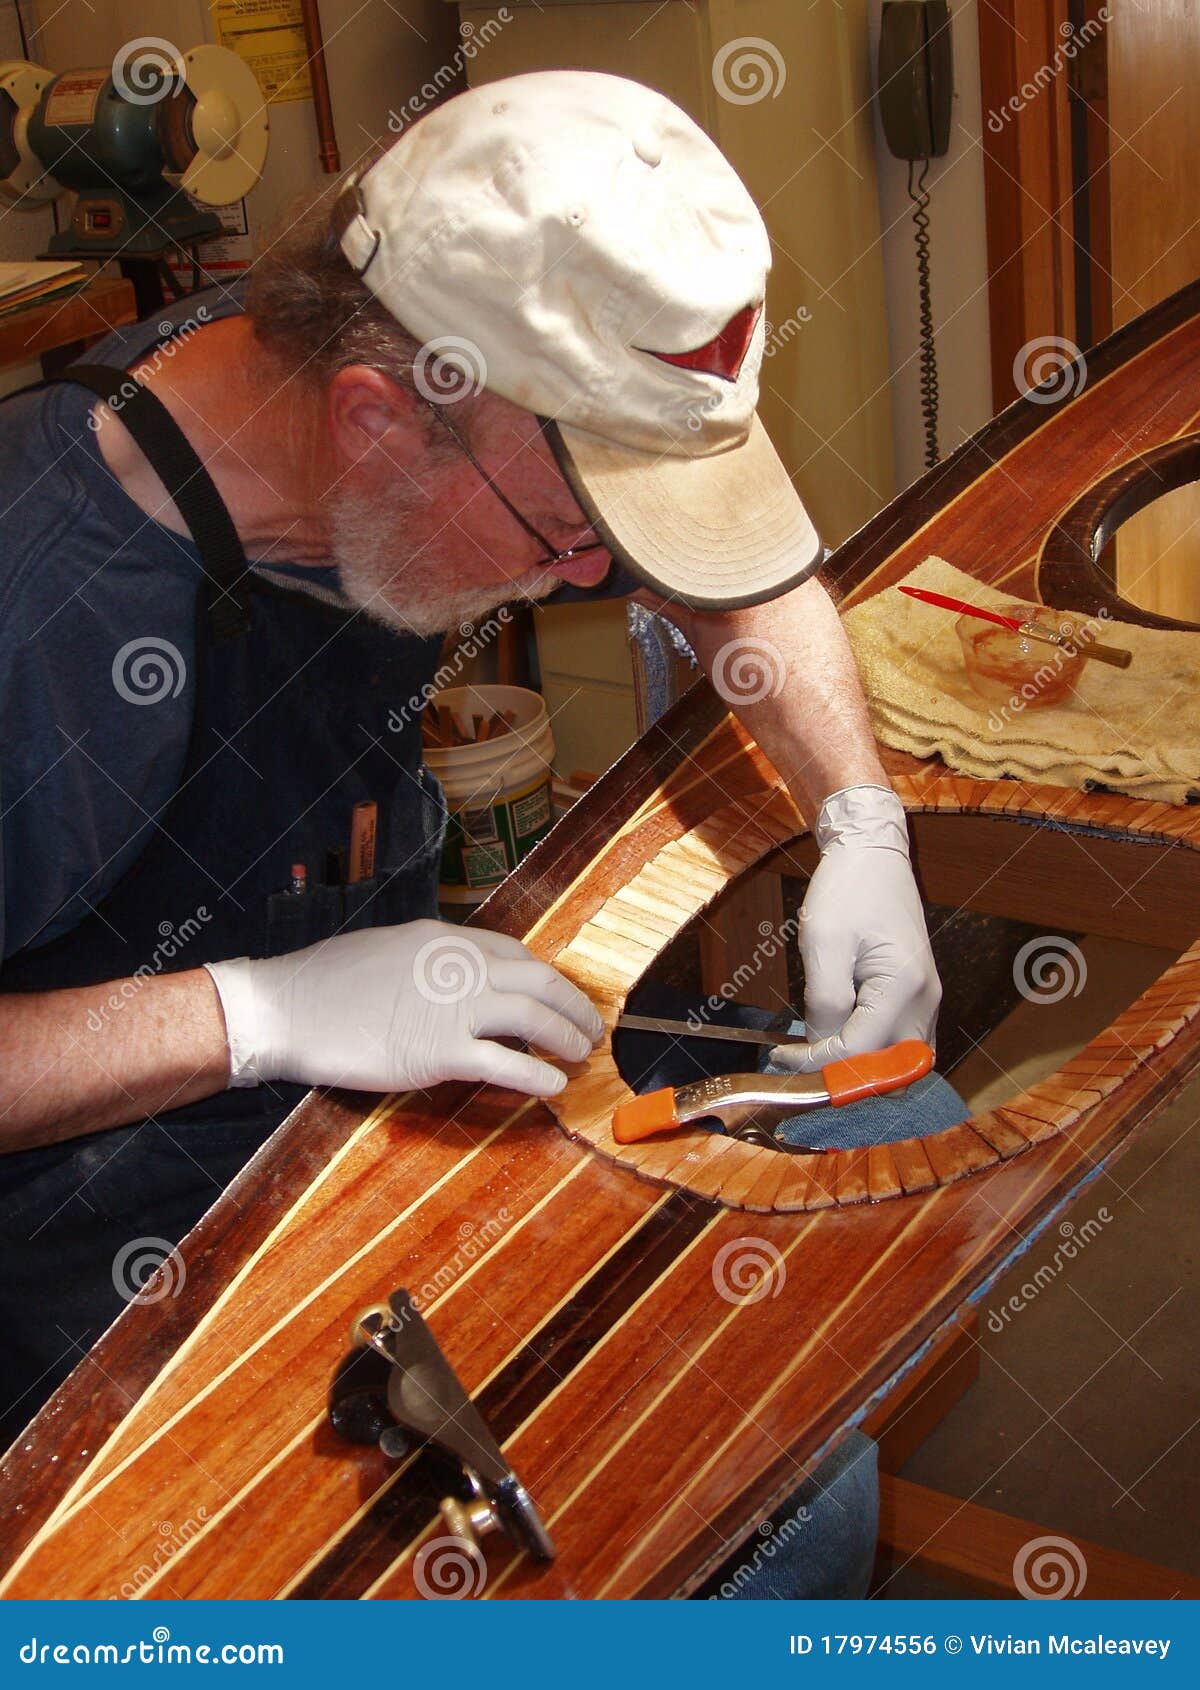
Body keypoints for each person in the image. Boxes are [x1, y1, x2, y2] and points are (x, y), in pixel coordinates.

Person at [0, 70, 940, 1594]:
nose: (583, 574)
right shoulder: (42, 611)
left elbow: (737, 581)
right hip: (130, 1234)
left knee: (890, 1127)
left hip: (375, 1077)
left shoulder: (417, 424)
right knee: (779, 1518)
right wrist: (258, 1010)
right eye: (572, 538)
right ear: (378, 421)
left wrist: (860, 818)